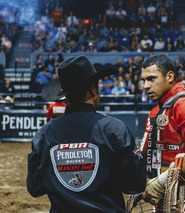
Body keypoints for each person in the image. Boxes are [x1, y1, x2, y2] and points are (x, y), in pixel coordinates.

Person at [27, 55, 146, 212]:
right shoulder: (115, 130)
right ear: (93, 88)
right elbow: (134, 185)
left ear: (65, 95)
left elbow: (35, 188)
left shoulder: (44, 135)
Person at [140, 54, 185, 212]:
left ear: (169, 76)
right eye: (143, 80)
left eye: (151, 79)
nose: (146, 86)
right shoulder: (157, 111)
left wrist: (161, 182)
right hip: (165, 196)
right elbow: (145, 153)